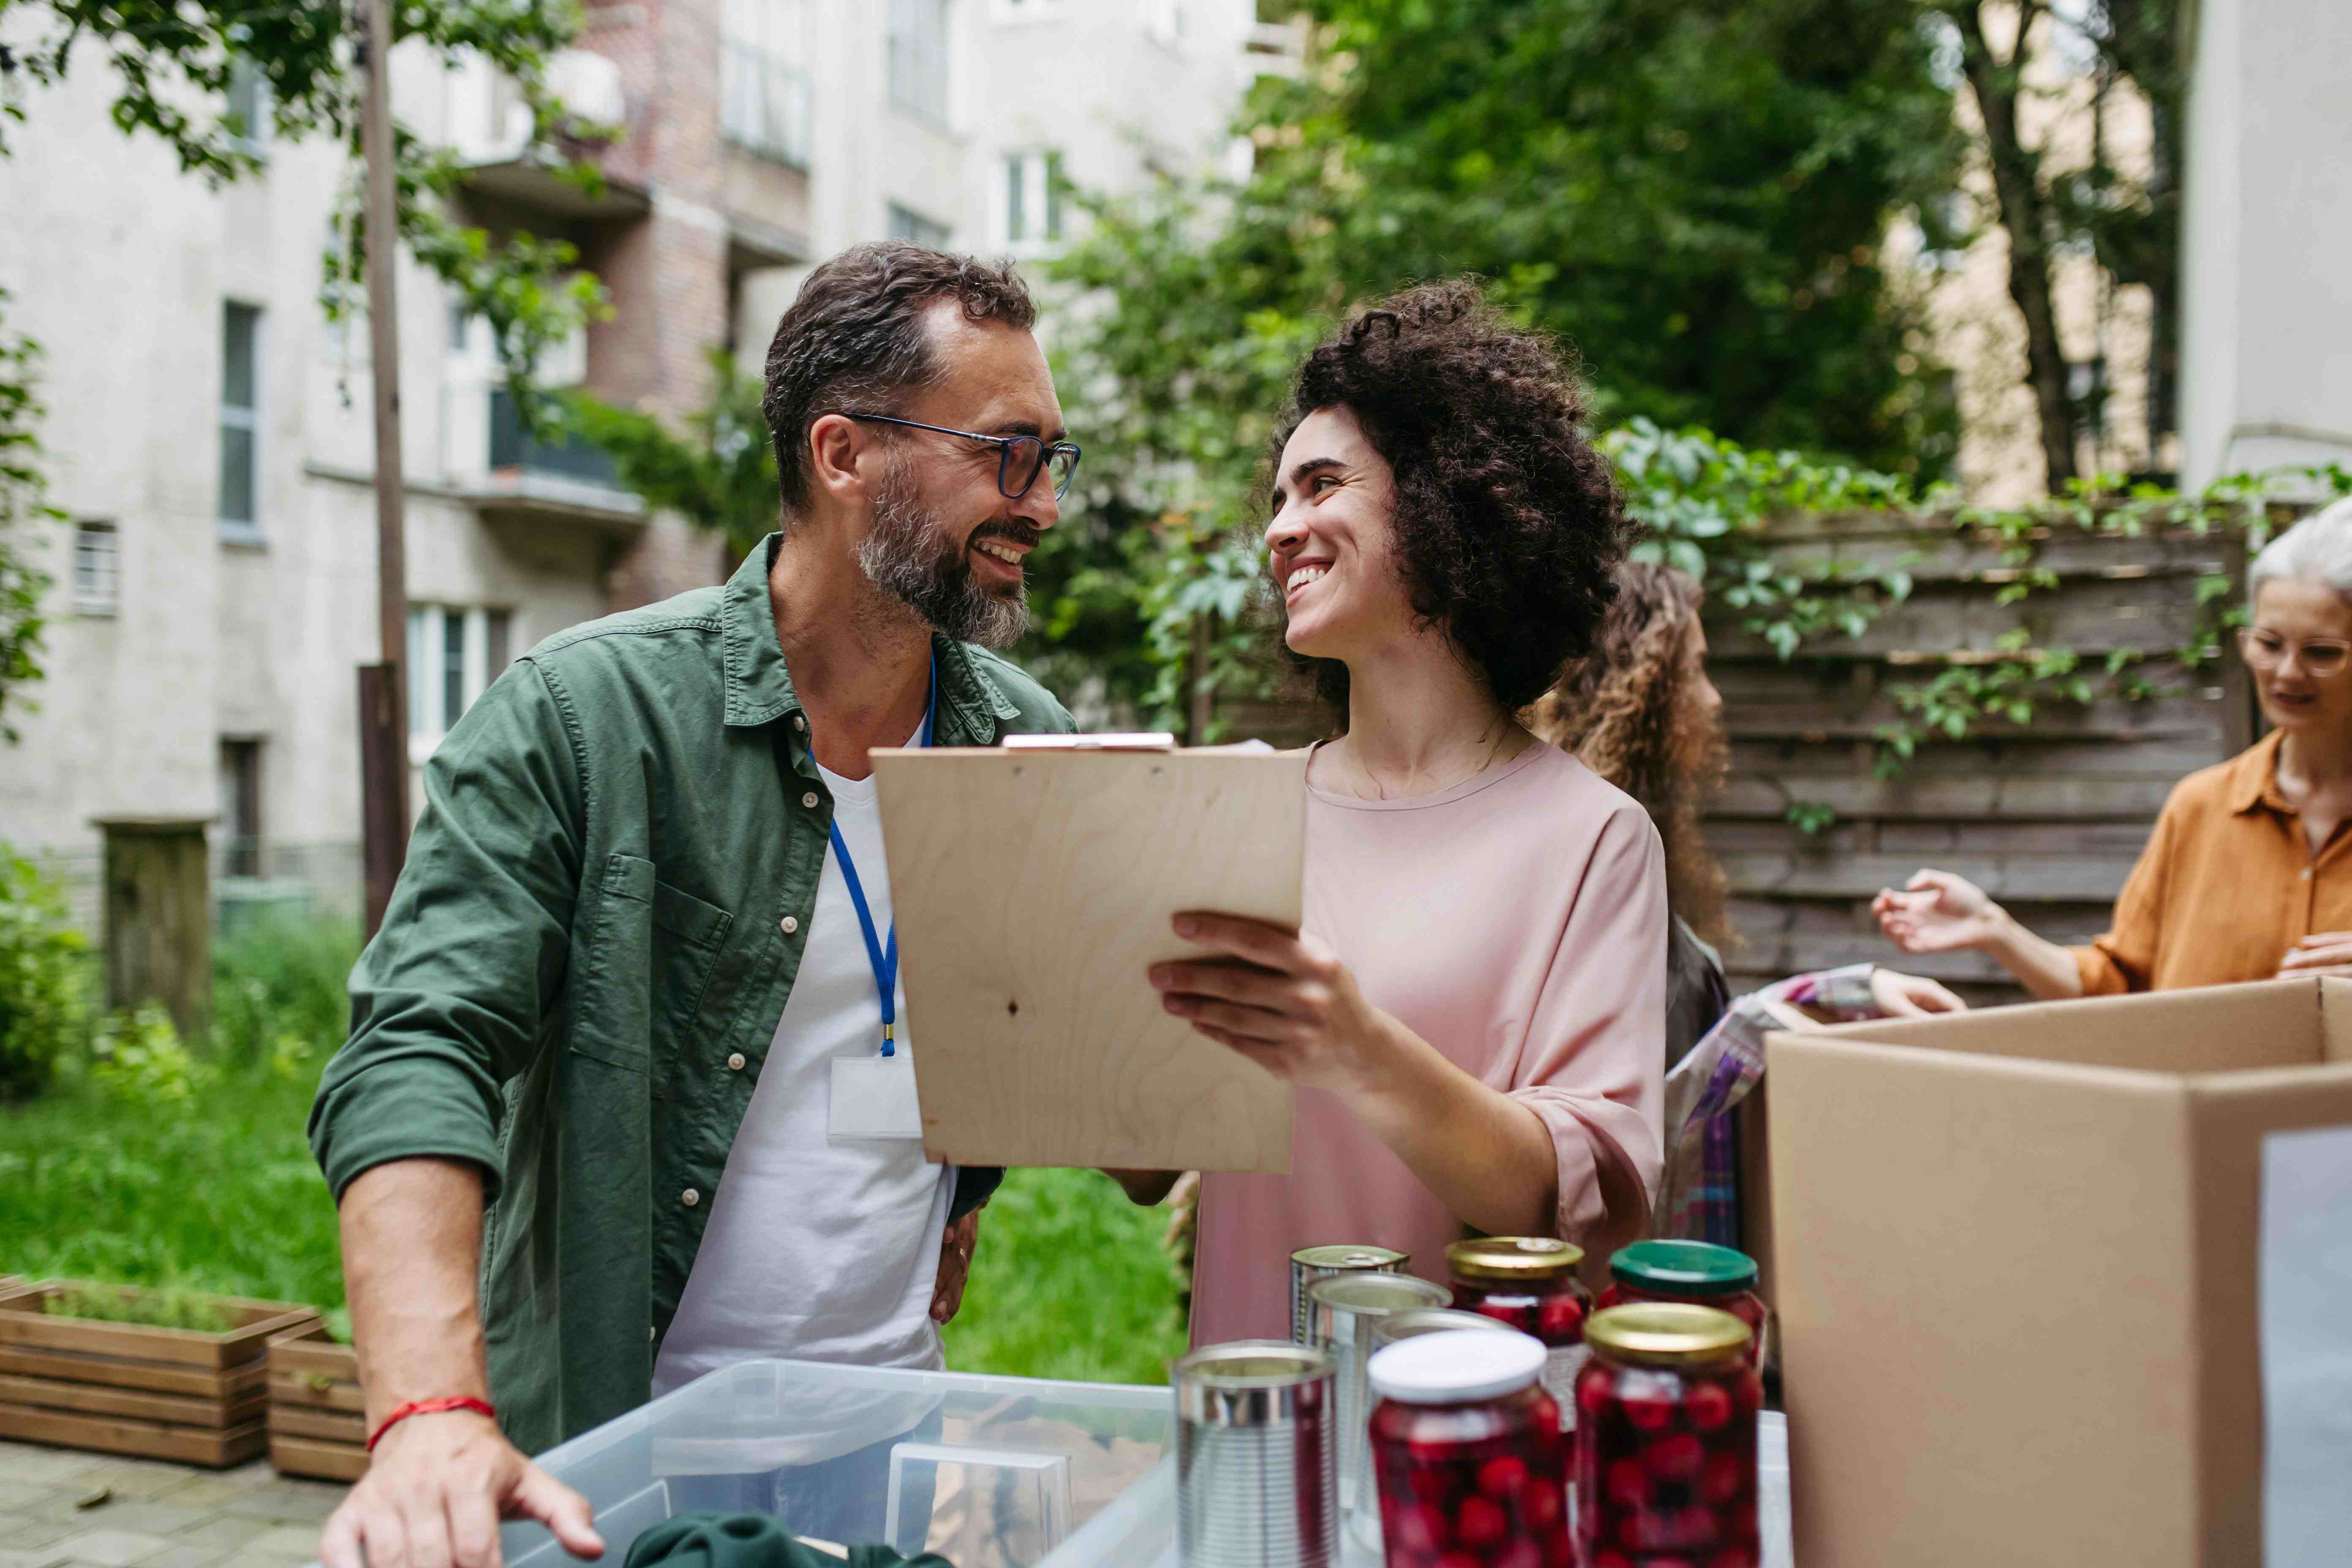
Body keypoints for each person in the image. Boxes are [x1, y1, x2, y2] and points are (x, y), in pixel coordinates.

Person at [307, 243, 1080, 1568]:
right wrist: (429, 1405)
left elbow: (969, 1021)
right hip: (624, 1453)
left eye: (1054, 459)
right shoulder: (579, 714)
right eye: (1007, 455)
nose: (1045, 506)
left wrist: (970, 1182)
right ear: (842, 454)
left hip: (890, 1416)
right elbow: (416, 1047)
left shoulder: (1024, 740)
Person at [1132, 281, 1665, 1339]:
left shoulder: (1592, 839)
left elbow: (1565, 1205)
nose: (1281, 530)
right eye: (1277, 500)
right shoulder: (1237, 810)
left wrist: (1352, 1043)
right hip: (1256, 1422)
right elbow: (1145, 1163)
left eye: (1321, 485)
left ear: (1441, 499)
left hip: (1464, 1441)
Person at [1534, 561, 1963, 1244]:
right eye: (1696, 671)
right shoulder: (1589, 860)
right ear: (1642, 687)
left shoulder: (1604, 841)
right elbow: (1641, 1131)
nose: (1713, 700)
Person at [1874, 496, 2352, 996]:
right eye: (2270, 644)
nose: (2288, 673)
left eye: (2322, 653)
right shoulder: (2201, 808)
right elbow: (2120, 985)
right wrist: (1995, 929)